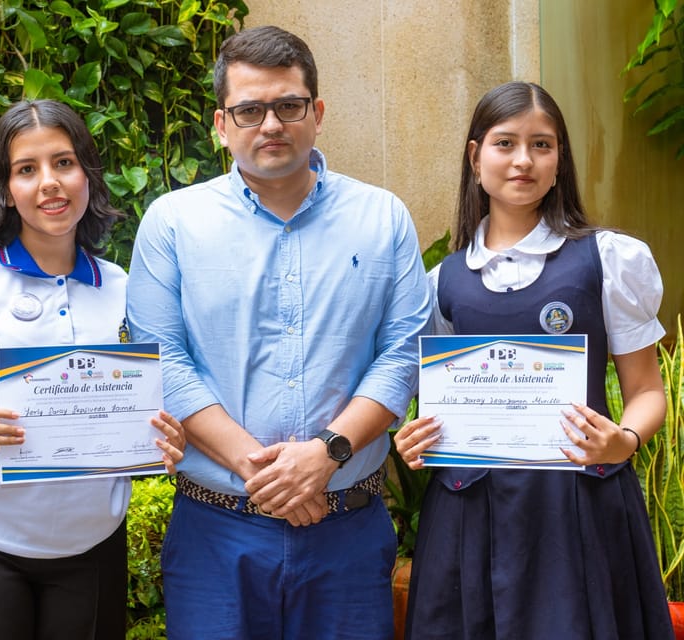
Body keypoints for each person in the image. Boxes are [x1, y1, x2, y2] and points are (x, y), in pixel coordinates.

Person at [127, 24, 432, 640]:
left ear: (316, 113)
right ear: (221, 123)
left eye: (288, 106)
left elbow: (402, 355)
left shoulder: (383, 218)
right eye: (249, 110)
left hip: (346, 531)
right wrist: (271, 476)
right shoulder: (173, 223)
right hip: (216, 533)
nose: (271, 124)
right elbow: (161, 362)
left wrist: (325, 455)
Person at [394, 81, 673, 639]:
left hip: (579, 507)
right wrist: (414, 438)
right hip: (470, 514)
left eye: (541, 145)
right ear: (476, 157)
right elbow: (437, 402)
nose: (523, 160)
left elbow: (646, 391)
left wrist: (623, 440)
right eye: (505, 143)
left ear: (559, 159)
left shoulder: (609, 259)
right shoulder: (441, 282)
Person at [0, 99, 185, 640]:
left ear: (87, 172)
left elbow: (149, 406)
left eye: (63, 163)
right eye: (26, 170)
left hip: (92, 543)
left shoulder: (127, 289)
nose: (49, 184)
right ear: (6, 188)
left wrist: (163, 436)